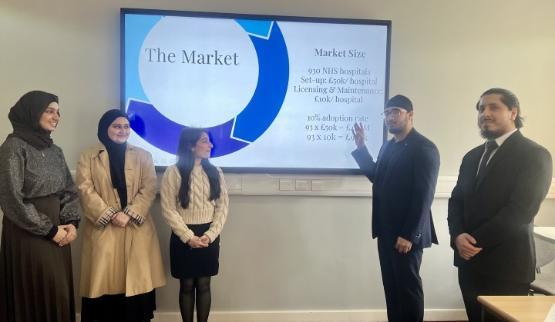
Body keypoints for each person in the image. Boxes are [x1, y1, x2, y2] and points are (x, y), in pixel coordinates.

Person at [448, 88, 552, 322]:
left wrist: (473, 242)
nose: (485, 113)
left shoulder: (535, 155)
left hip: (507, 267)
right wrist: (457, 236)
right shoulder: (472, 156)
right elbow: (456, 201)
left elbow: (520, 211)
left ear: (513, 112)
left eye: (493, 107)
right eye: (481, 108)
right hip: (469, 264)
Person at [351, 95, 440, 322]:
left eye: (396, 112)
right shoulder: (388, 146)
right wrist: (361, 148)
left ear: (410, 115)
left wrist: (409, 234)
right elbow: (377, 177)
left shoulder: (424, 148)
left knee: (408, 289)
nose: (390, 117)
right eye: (387, 113)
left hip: (406, 235)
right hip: (386, 230)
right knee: (391, 287)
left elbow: (424, 196)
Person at [76, 109, 166, 322]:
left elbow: (149, 188)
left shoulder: (143, 155)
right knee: (103, 283)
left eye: (126, 127)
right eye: (117, 126)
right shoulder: (88, 156)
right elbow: (84, 188)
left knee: (136, 284)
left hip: (136, 227)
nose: (122, 131)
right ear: (104, 128)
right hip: (104, 228)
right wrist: (110, 214)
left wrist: (130, 213)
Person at [0, 90, 80, 322]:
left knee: (60, 294)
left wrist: (72, 223)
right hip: (28, 233)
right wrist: (50, 230)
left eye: (58, 112)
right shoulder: (13, 148)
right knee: (42, 290)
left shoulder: (55, 151)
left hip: (60, 230)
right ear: (32, 112)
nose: (56, 117)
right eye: (49, 111)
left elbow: (68, 190)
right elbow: (12, 199)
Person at [160, 128, 229, 322]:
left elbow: (222, 207)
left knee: (205, 284)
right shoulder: (172, 173)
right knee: (187, 285)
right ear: (191, 146)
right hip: (183, 235)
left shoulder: (216, 172)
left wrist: (211, 234)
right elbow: (168, 209)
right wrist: (188, 237)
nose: (210, 145)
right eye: (205, 141)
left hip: (209, 234)